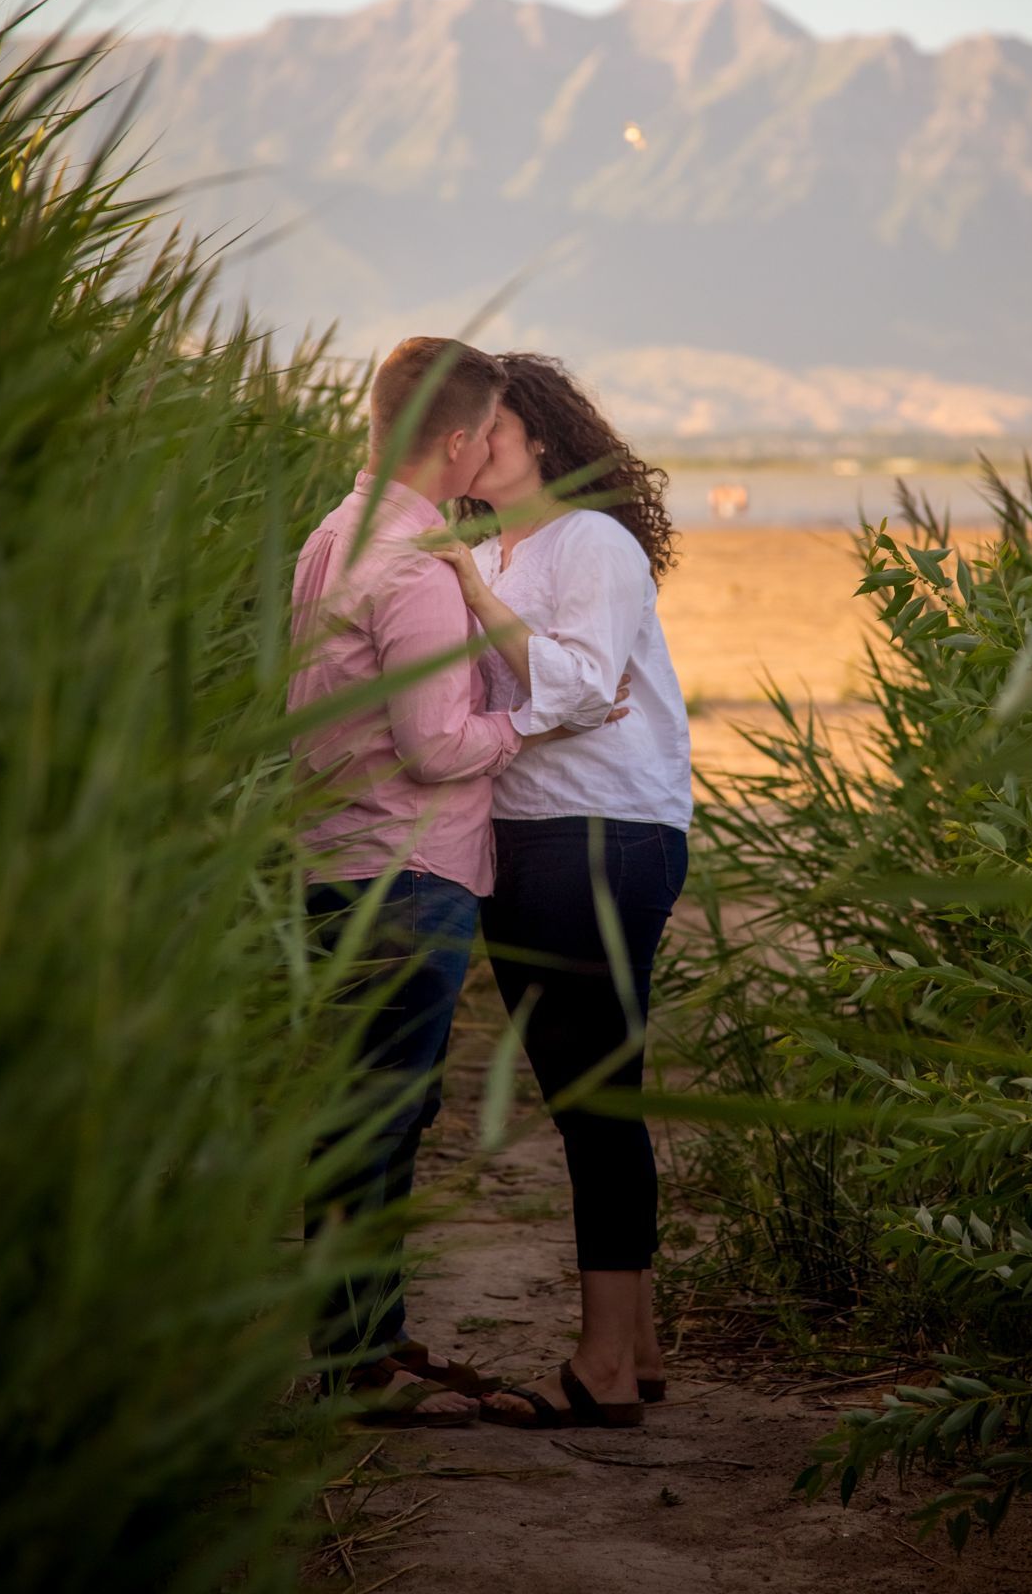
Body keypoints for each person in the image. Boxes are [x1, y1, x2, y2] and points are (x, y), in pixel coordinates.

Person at [288, 336, 626, 1424]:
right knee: (383, 1115)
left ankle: (354, 1349)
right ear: (456, 438)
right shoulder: (417, 564)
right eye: (486, 431)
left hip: (338, 861)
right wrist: (531, 717)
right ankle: (360, 1366)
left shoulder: (332, 538)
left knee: (360, 1113)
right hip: (409, 865)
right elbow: (435, 745)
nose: (492, 449)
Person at [429, 352, 692, 1432]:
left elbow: (581, 684)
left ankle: (604, 1365)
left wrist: (478, 597)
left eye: (490, 421)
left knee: (590, 1087)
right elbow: (547, 691)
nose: (470, 439)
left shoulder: (593, 541)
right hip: (531, 832)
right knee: (596, 1079)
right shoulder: (493, 547)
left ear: (539, 433)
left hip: (600, 827)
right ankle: (635, 1341)